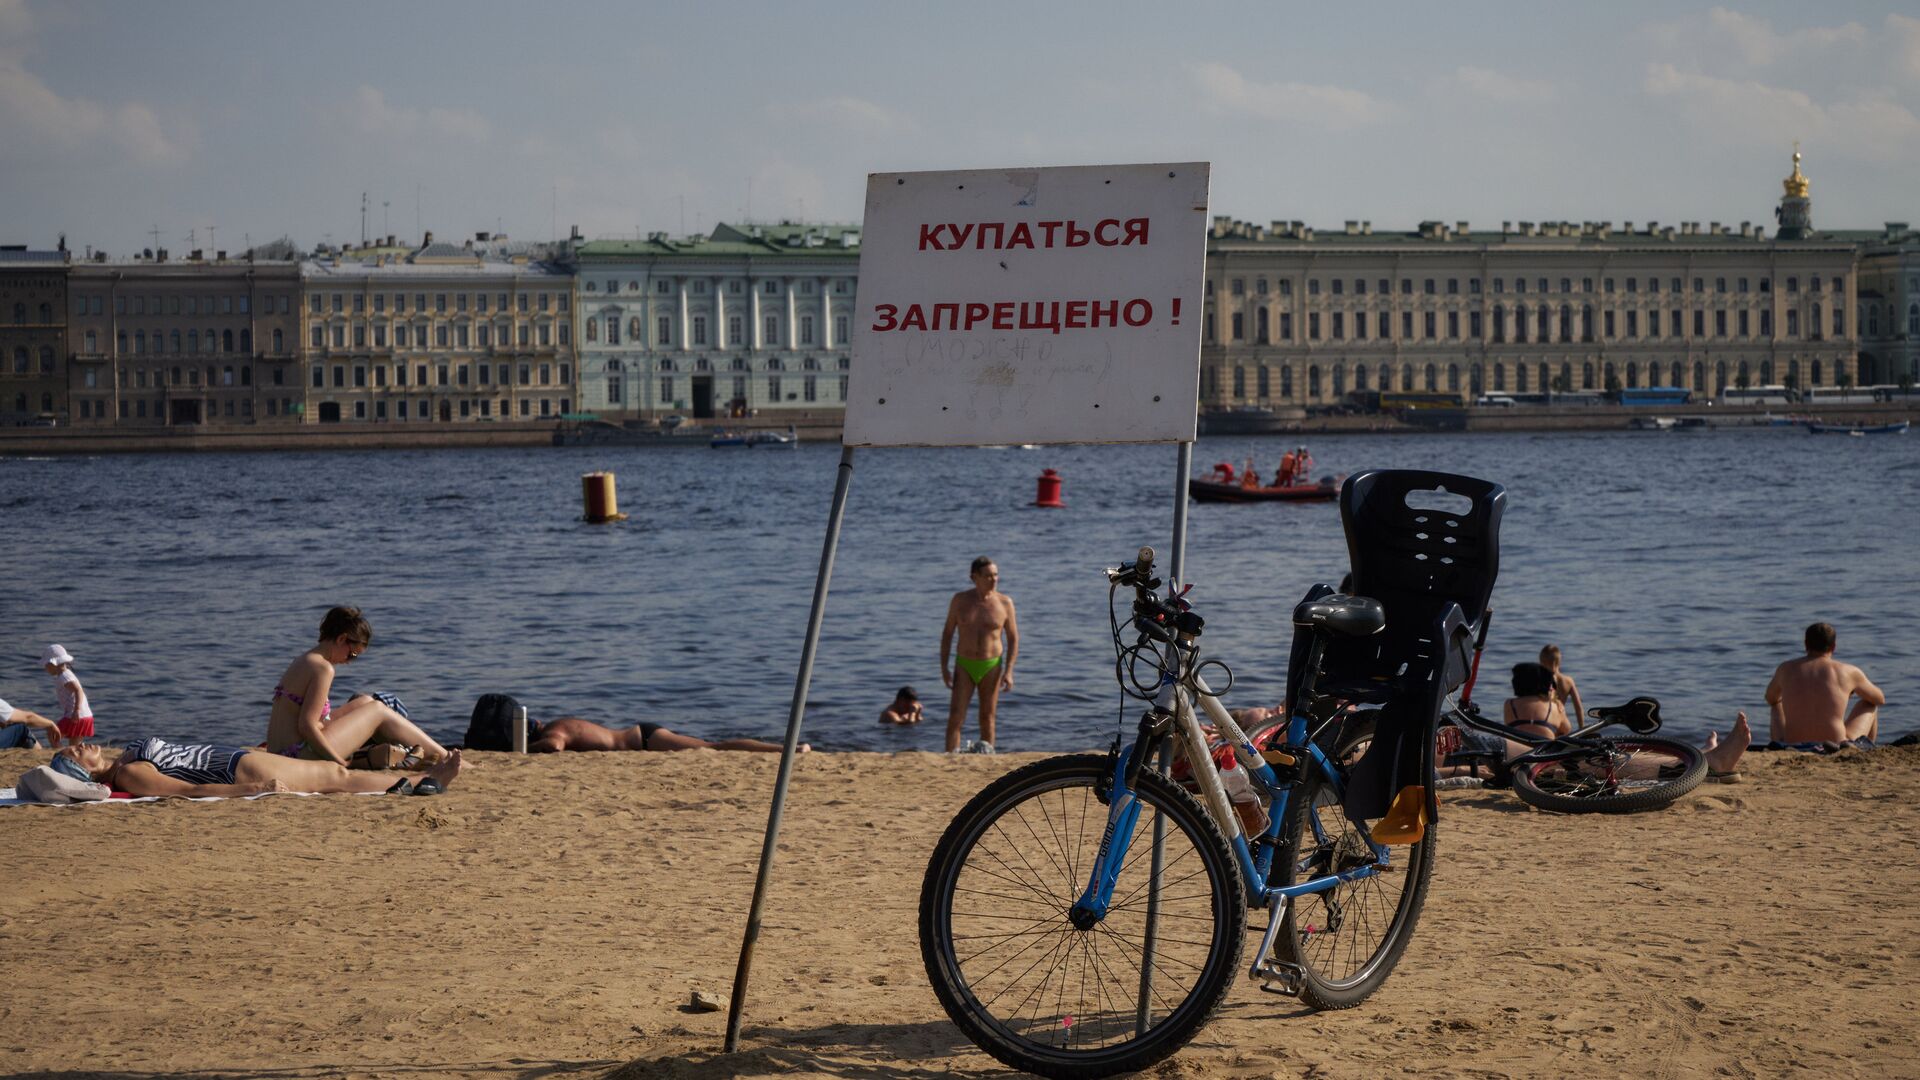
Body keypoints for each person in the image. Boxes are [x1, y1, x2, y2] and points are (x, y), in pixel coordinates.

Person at [265, 606, 449, 767]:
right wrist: (339, 762)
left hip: (281, 753)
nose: (349, 662)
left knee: (365, 701)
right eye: (352, 655)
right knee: (378, 709)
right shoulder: (323, 668)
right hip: (298, 756)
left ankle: (429, 753)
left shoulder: (304, 660)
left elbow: (306, 720)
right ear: (341, 639)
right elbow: (306, 726)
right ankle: (445, 757)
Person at [54, 738, 464, 798]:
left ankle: (416, 781)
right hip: (239, 773)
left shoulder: (125, 755)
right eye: (75, 754)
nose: (80, 746)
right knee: (333, 777)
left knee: (332, 774)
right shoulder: (127, 775)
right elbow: (185, 792)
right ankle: (422, 783)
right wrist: (252, 790)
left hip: (237, 757)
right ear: (86, 774)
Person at [1762, 622, 1885, 750]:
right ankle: (1869, 750)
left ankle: (1782, 744)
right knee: (1870, 704)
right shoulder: (1848, 671)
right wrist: (1851, 690)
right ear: (1833, 646)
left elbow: (1770, 698)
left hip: (1792, 743)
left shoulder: (1785, 669)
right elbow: (1879, 699)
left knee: (1776, 705)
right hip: (1836, 743)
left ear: (1806, 644)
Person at [941, 556, 1019, 753]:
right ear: (974, 577)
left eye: (995, 575)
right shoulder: (960, 600)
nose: (993, 579)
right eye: (987, 576)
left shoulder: (1004, 602)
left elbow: (1013, 638)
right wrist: (944, 667)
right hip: (964, 664)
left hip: (991, 665)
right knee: (956, 715)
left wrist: (1009, 671)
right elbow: (948, 633)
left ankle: (988, 755)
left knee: (987, 716)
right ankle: (950, 756)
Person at [528, 717, 801, 753]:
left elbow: (554, 746)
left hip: (645, 740)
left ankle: (785, 750)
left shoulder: (554, 731)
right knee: (714, 746)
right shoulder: (558, 721)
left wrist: (526, 751)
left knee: (715, 747)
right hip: (640, 737)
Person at [40, 644, 94, 748]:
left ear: (53, 664)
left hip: (76, 715)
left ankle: (60, 755)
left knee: (53, 735)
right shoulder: (66, 674)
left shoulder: (64, 677)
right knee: (75, 745)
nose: (45, 668)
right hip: (85, 715)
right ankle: (72, 759)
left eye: (46, 665)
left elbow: (78, 690)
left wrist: (76, 710)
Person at [1539, 644, 1586, 728]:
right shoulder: (1568, 681)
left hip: (1545, 722)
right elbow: (1578, 708)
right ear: (1559, 662)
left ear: (1542, 663)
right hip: (1561, 722)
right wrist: (1581, 728)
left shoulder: (1541, 680)